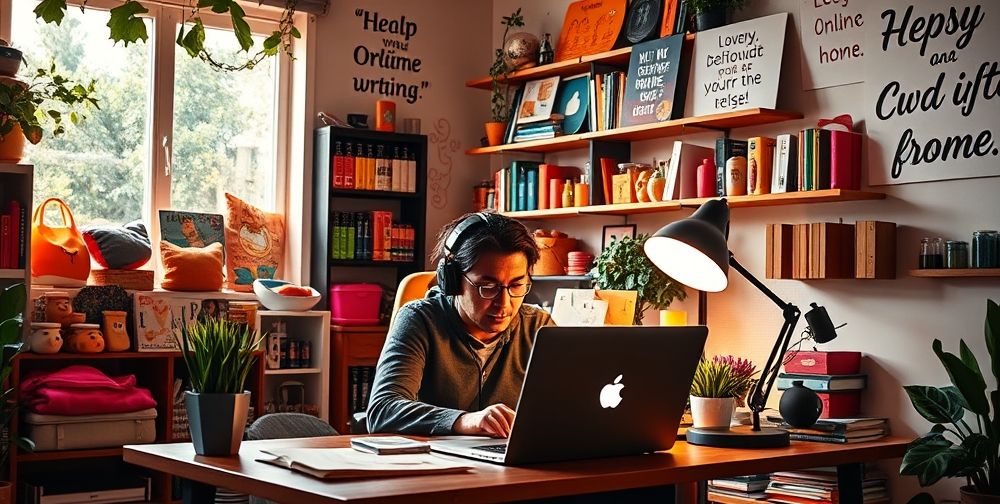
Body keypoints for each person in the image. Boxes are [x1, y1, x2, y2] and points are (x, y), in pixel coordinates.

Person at [366, 211, 551, 437]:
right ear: (452, 280)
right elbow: (383, 410)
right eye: (488, 287)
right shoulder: (419, 321)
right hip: (434, 465)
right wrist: (464, 421)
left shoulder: (540, 328)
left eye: (516, 285)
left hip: (515, 465)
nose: (504, 303)